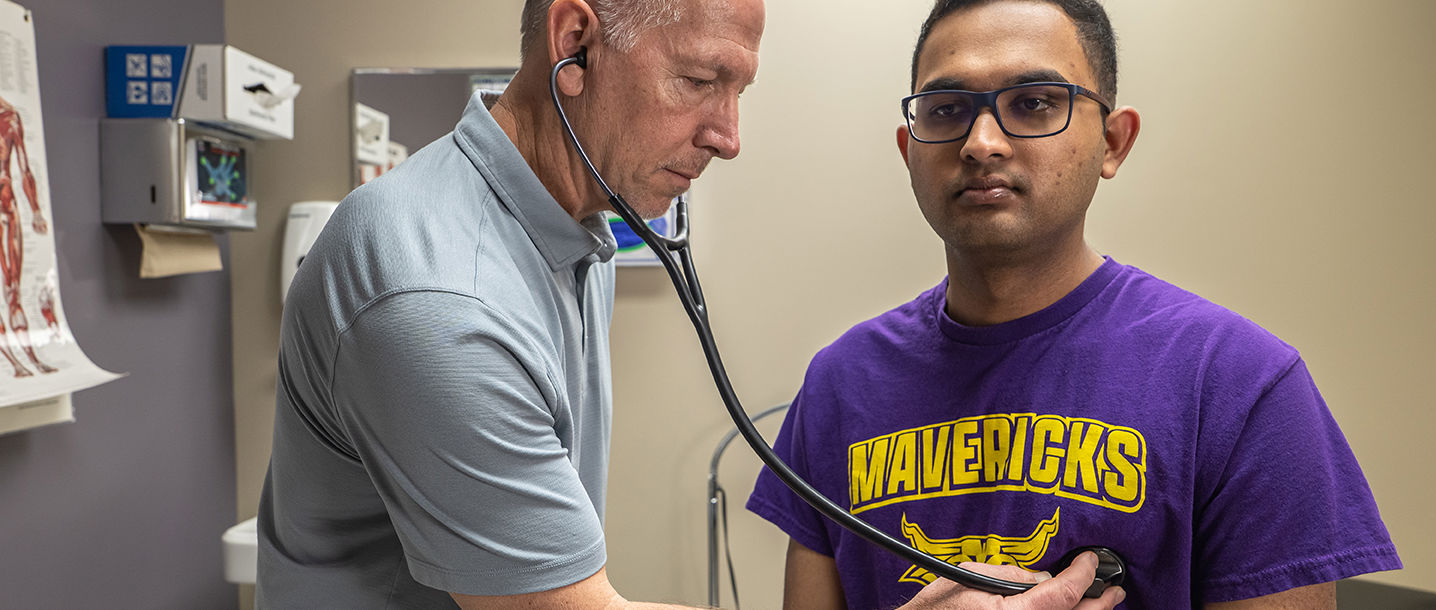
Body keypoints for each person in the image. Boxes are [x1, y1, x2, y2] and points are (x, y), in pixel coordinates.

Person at [258, 0, 1121, 608]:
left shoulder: (566, 223)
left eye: (739, 89)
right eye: (702, 80)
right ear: (575, 41)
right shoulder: (442, 296)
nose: (728, 135)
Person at [746, 0, 1403, 609]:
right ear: (908, 149)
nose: (981, 142)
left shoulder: (1241, 384)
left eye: (1032, 103)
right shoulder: (841, 382)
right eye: (946, 110)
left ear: (1114, 143)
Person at [0, 94, 55, 378]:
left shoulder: (9, 118)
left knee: (13, 290)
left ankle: (29, 360)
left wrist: (35, 211)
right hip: (6, 207)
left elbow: (24, 169)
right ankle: (16, 363)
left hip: (7, 208)